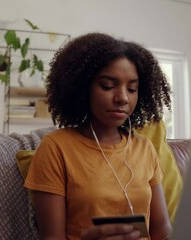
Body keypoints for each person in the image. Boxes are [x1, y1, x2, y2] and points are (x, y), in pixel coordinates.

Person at [24, 32, 172, 240]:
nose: (122, 98)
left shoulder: (144, 147)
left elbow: (162, 228)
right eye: (108, 86)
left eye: (132, 89)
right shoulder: (56, 148)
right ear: (83, 88)